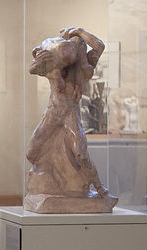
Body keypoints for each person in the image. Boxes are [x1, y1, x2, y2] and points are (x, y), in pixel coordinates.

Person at [24, 26, 116, 212]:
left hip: (70, 115)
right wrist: (40, 61)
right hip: (53, 112)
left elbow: (99, 46)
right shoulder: (52, 63)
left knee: (80, 153)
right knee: (31, 153)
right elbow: (32, 68)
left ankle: (100, 189)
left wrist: (80, 32)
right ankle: (50, 179)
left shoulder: (82, 70)